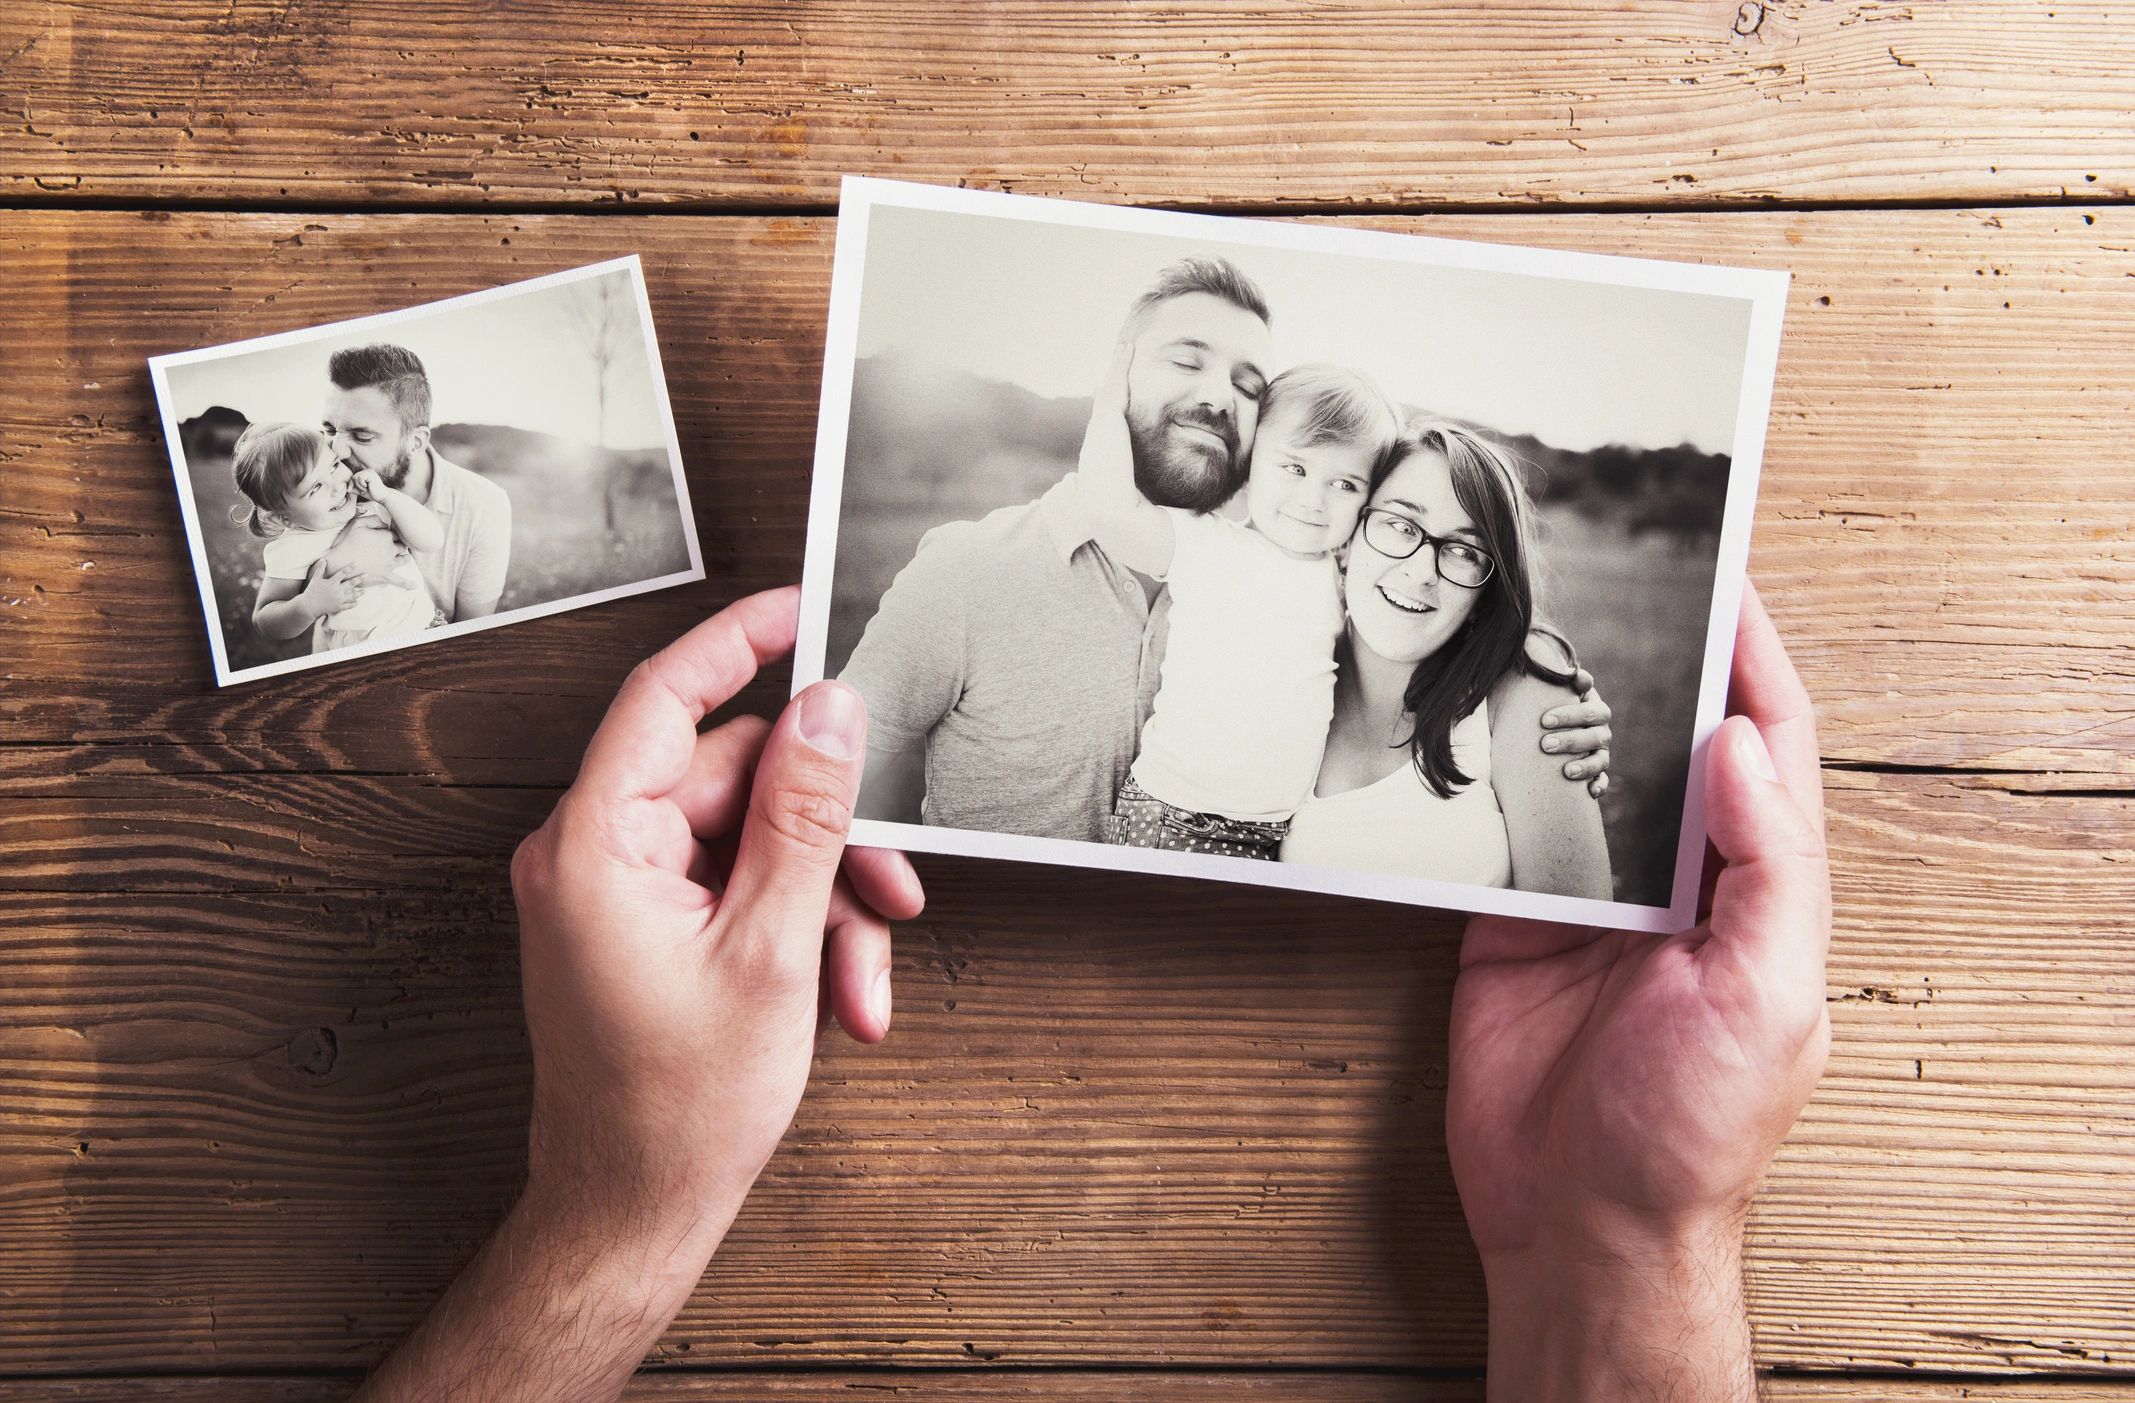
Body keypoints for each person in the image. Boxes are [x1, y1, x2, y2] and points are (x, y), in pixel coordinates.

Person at [354, 580, 1830, 1402]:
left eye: (1452, 548)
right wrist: (1623, 1247)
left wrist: (1626, 1228)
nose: (1413, 564)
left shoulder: (1503, 707)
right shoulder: (1211, 626)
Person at [840, 258, 1613, 842]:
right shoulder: (972, 568)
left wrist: (1545, 703)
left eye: (1248, 384)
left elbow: (1427, 616)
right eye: (1186, 359)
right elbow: (836, 777)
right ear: (1120, 366)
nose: (1217, 395)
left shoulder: (1334, 579)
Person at [1078, 357, 1402, 860]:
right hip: (1177, 815)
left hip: (1274, 831)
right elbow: (1110, 508)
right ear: (1249, 465)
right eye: (1295, 468)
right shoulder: (1209, 546)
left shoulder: (1344, 580)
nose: (1314, 499)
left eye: (1345, 484)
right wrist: (1108, 409)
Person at [1282, 423, 1612, 898]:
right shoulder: (1280, 665)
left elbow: (1582, 934)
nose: (1421, 573)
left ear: (1487, 589)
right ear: (1347, 537)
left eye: (1462, 551)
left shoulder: (1524, 691)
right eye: (1400, 525)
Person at [320, 343, 514, 647]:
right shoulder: (324, 491)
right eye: (330, 430)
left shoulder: (484, 505)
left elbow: (470, 635)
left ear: (416, 440)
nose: (336, 450)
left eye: (361, 436)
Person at [232, 422, 447, 647]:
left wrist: (387, 496)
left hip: (423, 628)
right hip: (360, 651)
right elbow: (264, 622)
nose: (337, 487)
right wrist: (307, 605)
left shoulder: (372, 506)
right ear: (283, 518)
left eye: (334, 466)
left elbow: (432, 540)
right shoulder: (292, 549)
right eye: (316, 488)